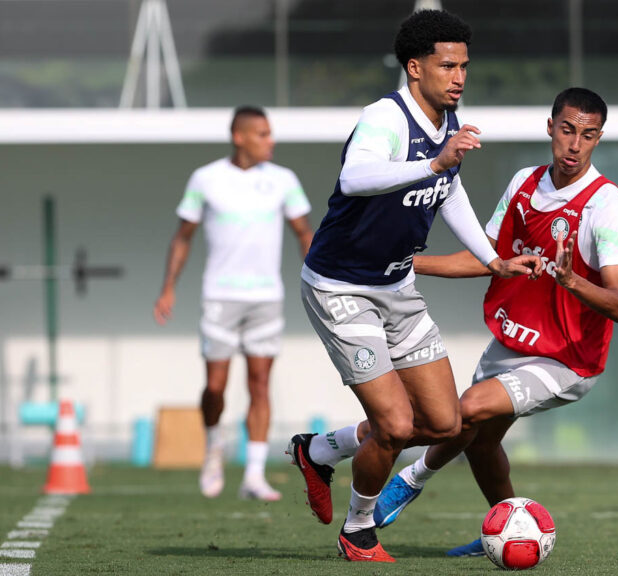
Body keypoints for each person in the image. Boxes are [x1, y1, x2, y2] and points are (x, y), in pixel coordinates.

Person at [284, 9, 539, 562]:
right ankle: (358, 531)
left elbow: (450, 192)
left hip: (397, 287)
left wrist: (493, 259)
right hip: (340, 288)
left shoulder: (448, 120)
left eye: (464, 66)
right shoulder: (386, 117)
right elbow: (355, 177)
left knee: (446, 424)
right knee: (396, 425)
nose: (459, 77)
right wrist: (433, 164)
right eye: (447, 66)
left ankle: (320, 450)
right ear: (415, 67)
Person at [366, 87, 618, 557]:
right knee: (480, 442)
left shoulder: (606, 205)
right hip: (512, 341)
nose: (575, 145)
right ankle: (510, 530)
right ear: (550, 127)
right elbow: (487, 258)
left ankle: (411, 479)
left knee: (467, 409)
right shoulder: (524, 183)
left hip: (567, 358)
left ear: (599, 138)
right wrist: (409, 264)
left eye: (588, 135)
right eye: (567, 130)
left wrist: (572, 280)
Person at [153, 106, 314, 501]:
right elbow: (183, 236)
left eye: (270, 133)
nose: (270, 141)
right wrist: (169, 287)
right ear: (239, 137)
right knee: (215, 386)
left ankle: (254, 476)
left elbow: (304, 233)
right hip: (220, 296)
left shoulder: (283, 180)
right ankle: (213, 447)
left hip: (266, 298)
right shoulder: (205, 178)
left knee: (259, 384)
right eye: (262, 134)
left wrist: (320, 281)